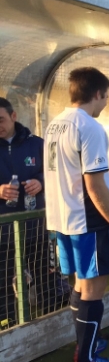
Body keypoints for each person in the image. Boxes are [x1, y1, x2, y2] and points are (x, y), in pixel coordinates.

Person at [44, 67, 109, 362]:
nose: (106, 103)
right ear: (97, 94)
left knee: (81, 284)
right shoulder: (89, 127)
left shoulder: (55, 123)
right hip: (87, 220)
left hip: (62, 218)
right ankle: (85, 361)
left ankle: (86, 344)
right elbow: (94, 183)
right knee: (93, 289)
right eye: (106, 97)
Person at [0, 97, 47, 326]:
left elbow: (54, 172)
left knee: (43, 271)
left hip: (35, 224)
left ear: (13, 116)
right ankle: (7, 322)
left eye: (1, 120)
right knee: (3, 277)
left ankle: (51, 313)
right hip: (3, 229)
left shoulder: (36, 144)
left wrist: (40, 182)